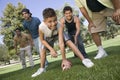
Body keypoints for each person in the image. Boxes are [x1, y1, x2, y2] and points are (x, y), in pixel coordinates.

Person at [31, 8, 94, 77]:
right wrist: (51, 49)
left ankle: (84, 60)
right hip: (47, 37)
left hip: (57, 34)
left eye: (55, 20)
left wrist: (64, 59)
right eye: (50, 21)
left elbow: (61, 43)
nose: (53, 23)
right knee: (42, 50)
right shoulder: (41, 27)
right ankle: (42, 68)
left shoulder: (59, 25)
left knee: (69, 41)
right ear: (44, 21)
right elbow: (42, 40)